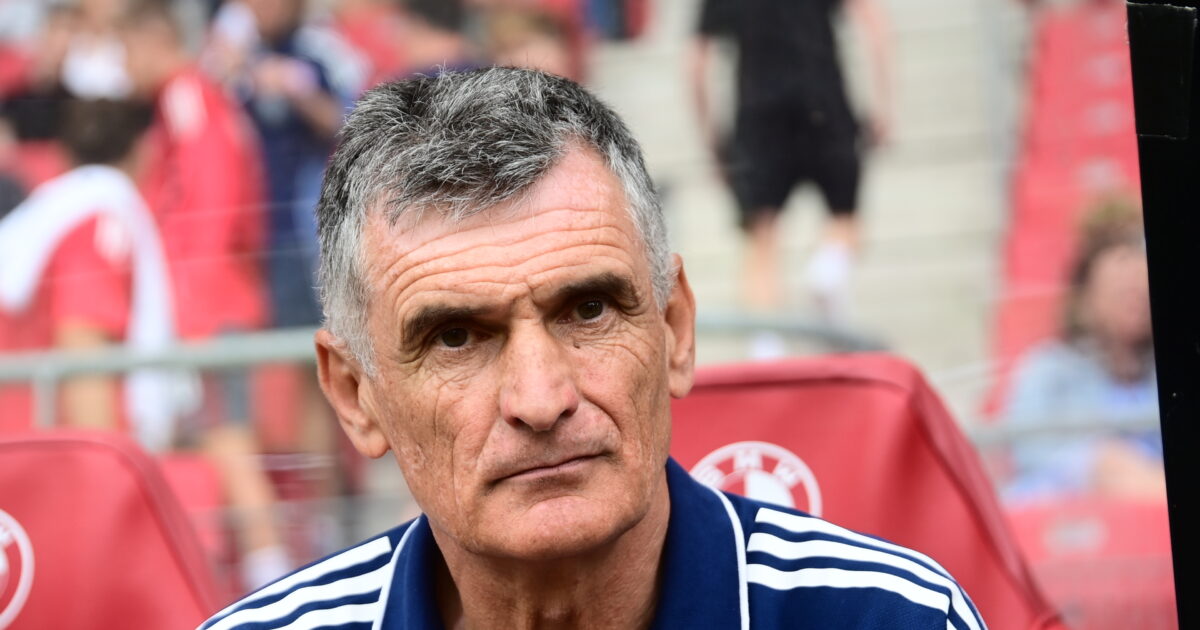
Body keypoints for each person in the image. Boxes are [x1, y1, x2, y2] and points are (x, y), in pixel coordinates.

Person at [200, 68, 984, 630]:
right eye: (456, 336)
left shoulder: (896, 618)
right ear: (355, 394)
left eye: (588, 309)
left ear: (675, 330)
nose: (541, 400)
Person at [119, 0, 292, 590]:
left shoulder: (186, 95)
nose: (123, 68)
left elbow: (211, 202)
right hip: (219, 299)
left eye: (126, 53)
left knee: (229, 442)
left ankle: (272, 575)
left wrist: (185, 303)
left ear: (151, 43)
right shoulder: (196, 98)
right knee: (218, 443)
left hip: (208, 307)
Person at [689, 0, 892, 340]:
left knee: (762, 239)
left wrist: (711, 139)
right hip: (824, 102)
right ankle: (828, 271)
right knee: (844, 217)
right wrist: (884, 103)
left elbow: (696, 62)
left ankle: (766, 349)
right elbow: (873, 24)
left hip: (757, 115)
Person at [0, 98, 164, 436]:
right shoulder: (97, 224)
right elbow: (83, 354)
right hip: (35, 449)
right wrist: (101, 460)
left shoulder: (47, 216)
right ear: (141, 151)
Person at [1002, 198, 1163, 503]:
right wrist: (1097, 464)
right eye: (1123, 294)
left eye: (1143, 296)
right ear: (1086, 298)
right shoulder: (1048, 369)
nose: (1137, 307)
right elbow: (1029, 452)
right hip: (1075, 511)